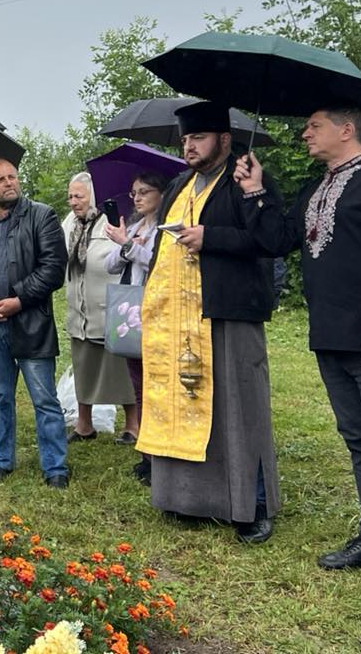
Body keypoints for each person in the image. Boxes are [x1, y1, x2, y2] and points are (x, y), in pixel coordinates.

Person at [237, 106, 361, 595]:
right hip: (331, 336)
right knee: (360, 440)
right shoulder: (315, 188)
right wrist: (255, 190)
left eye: (314, 125)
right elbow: (278, 240)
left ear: (346, 129)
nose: (305, 133)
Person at [134, 101, 279, 544]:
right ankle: (191, 500)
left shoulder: (246, 177)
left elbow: (270, 239)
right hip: (179, 317)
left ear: (225, 139)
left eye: (198, 137)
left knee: (239, 410)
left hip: (227, 309)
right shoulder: (180, 184)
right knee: (185, 405)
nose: (189, 146)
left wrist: (210, 237)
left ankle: (253, 505)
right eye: (185, 139)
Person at [0, 158, 70, 486]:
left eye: (12, 177)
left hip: (31, 322)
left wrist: (18, 300)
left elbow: (53, 269)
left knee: (44, 398)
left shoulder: (42, 216)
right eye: (0, 180)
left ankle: (55, 468)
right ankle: (1, 460)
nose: (9, 183)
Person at [62, 173, 138, 444]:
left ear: (93, 197)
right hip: (80, 311)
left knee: (122, 369)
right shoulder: (70, 223)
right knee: (84, 366)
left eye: (79, 196)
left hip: (111, 309)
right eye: (70, 196)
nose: (73, 202)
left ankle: (132, 425)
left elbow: (126, 254)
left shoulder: (112, 219)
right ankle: (84, 424)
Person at [104, 169, 169, 481]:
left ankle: (160, 455)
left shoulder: (165, 228)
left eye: (144, 192)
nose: (137, 198)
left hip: (155, 311)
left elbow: (159, 264)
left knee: (156, 386)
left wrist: (130, 246)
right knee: (139, 386)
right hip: (130, 312)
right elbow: (110, 264)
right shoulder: (133, 226)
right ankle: (147, 454)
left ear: (161, 194)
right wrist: (125, 242)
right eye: (134, 193)